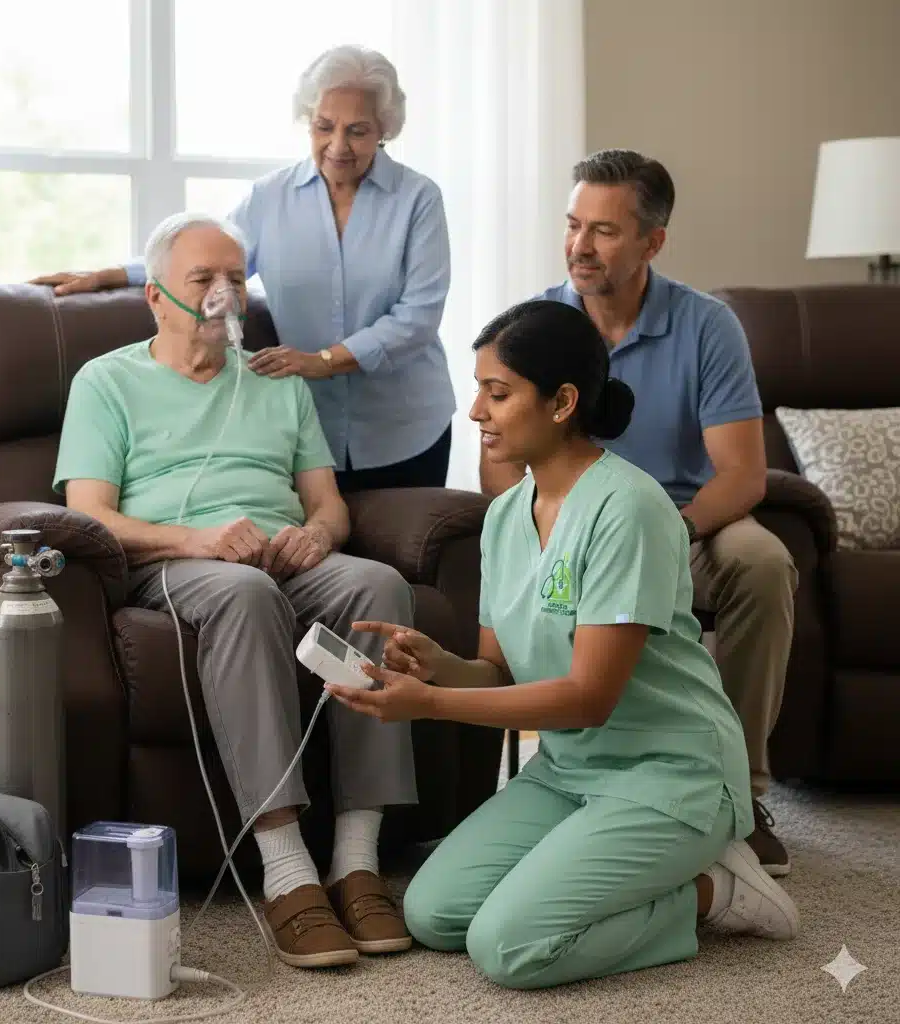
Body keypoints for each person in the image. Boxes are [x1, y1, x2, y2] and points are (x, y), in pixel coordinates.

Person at [325, 300, 800, 990]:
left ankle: (716, 892)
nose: (476, 413)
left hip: (669, 774)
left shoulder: (629, 508)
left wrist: (430, 704)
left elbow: (589, 697)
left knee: (509, 947)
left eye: (498, 392)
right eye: (479, 390)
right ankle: (623, 870)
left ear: (561, 402)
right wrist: (441, 667)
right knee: (434, 914)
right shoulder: (504, 518)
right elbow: (495, 671)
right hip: (570, 774)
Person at [52, 210, 417, 969]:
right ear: (157, 297)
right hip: (179, 562)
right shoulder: (109, 381)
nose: (225, 294)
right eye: (203, 279)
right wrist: (199, 541)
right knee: (244, 595)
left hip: (287, 558)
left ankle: (357, 859)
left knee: (378, 584)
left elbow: (329, 502)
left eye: (234, 279)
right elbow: (87, 512)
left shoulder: (277, 381)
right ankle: (285, 871)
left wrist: (316, 536)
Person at [480, 149, 797, 877]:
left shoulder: (707, 326)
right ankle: (561, 781)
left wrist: (671, 534)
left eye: (604, 231)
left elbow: (743, 474)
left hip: (688, 519)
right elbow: (499, 461)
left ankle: (741, 793)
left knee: (764, 562)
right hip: (569, 519)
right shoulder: (540, 322)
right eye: (573, 225)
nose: (580, 247)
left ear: (653, 242)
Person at [34, 44, 456, 493]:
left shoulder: (418, 199)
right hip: (311, 431)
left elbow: (418, 318)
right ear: (307, 122)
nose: (338, 146)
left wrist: (323, 361)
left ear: (384, 131)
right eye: (323, 126)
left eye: (357, 130)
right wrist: (110, 275)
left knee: (410, 554)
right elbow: (203, 258)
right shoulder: (269, 197)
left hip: (403, 427)